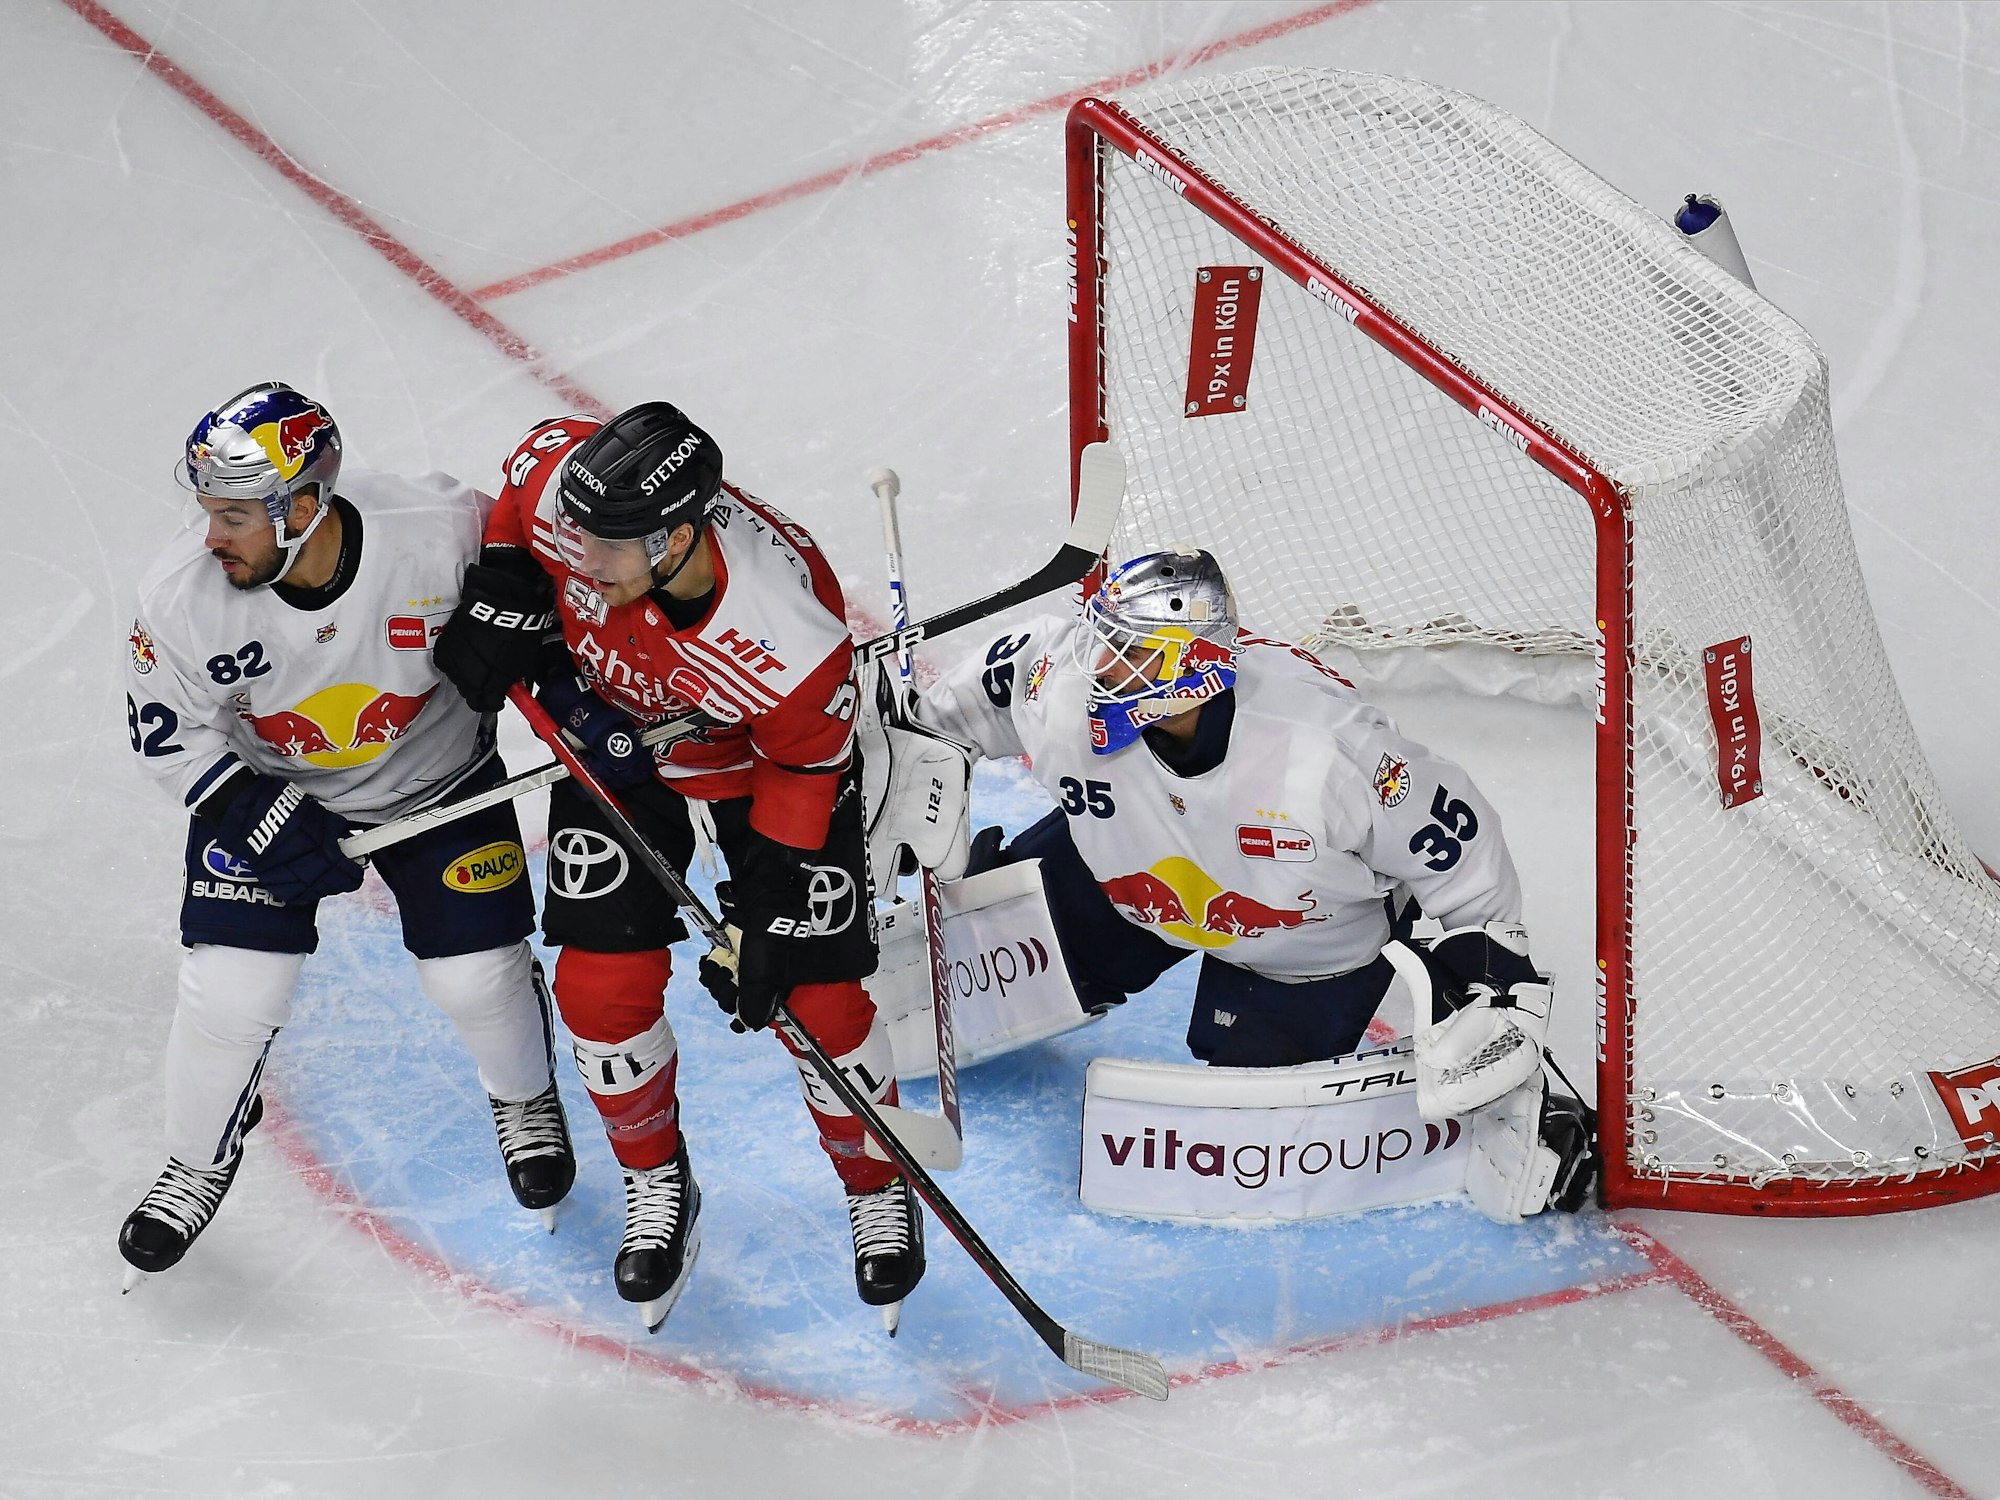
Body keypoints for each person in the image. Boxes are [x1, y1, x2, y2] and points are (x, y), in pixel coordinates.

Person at [906, 546, 1593, 1216]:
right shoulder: (1060, 686)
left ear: (1195, 671)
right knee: (977, 945)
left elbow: (1464, 850)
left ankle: (1519, 1120)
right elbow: (955, 712)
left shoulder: (1327, 751)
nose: (1103, 668)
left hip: (1298, 941)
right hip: (1126, 876)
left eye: (1133, 653)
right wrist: (901, 770)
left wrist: (1492, 982)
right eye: (1106, 641)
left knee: (1245, 1129)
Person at [431, 402, 922, 1332]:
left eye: (605, 550)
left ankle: (875, 1182)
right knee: (597, 996)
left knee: (817, 1002)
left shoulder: (787, 635)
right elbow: (518, 500)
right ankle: (657, 1182)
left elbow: (803, 772)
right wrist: (503, 583)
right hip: (621, 750)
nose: (579, 561)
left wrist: (768, 915)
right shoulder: (580, 494)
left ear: (679, 538)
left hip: (758, 772)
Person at [118, 382, 575, 1288]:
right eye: (208, 512)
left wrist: (523, 591)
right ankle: (195, 1159)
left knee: (475, 977)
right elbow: (161, 725)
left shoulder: (436, 526)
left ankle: (525, 1098)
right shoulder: (180, 597)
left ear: (304, 504)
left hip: (437, 783)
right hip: (269, 794)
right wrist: (250, 806)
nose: (213, 536)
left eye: (237, 515)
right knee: (227, 992)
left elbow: (528, 532)